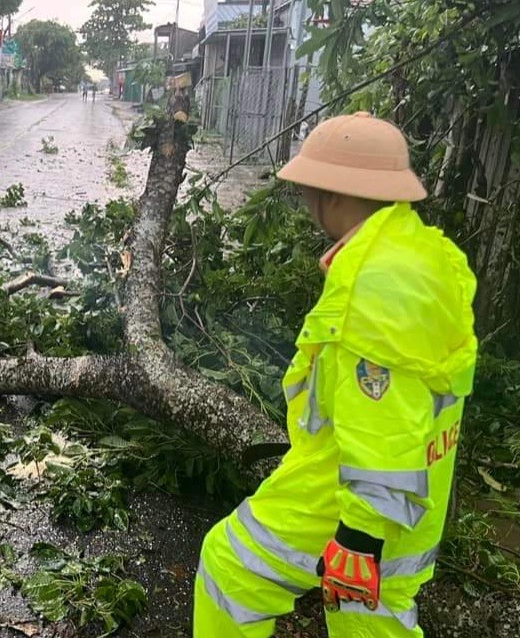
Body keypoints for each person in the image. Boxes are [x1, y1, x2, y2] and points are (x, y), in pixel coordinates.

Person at [193, 112, 478, 637]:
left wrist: (360, 535)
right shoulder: (421, 254)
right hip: (416, 492)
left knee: (231, 567)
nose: (306, 205)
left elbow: (384, 416)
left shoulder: (377, 286)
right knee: (369, 615)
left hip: (354, 492)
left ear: (336, 195)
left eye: (308, 192)